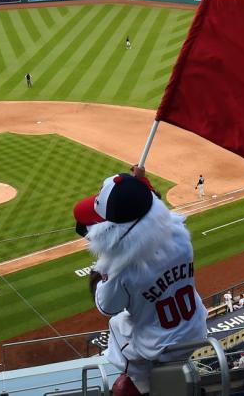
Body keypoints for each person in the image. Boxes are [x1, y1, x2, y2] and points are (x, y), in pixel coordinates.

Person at [75, 169, 207, 395]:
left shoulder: (124, 270)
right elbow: (155, 210)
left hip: (161, 347)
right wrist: (142, 186)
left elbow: (106, 306)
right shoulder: (179, 234)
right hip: (196, 329)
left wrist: (101, 269)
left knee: (117, 325)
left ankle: (140, 385)